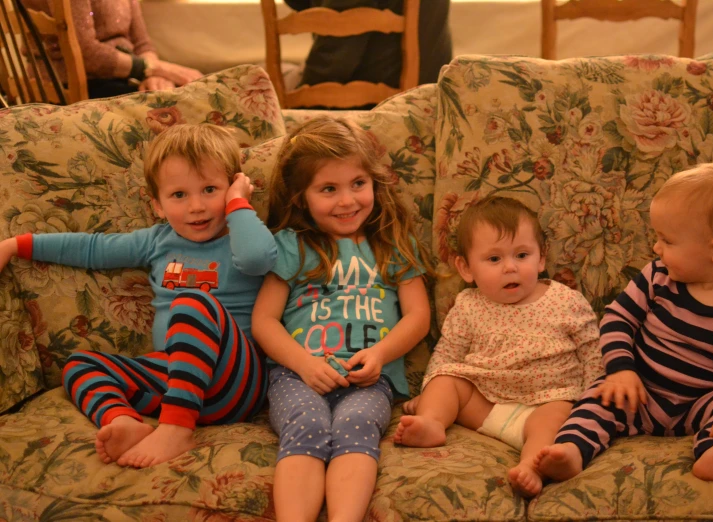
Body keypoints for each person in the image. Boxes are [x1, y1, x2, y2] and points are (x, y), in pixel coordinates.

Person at [0, 124, 276, 468]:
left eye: (210, 189)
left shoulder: (242, 235)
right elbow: (92, 248)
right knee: (80, 365)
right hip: (172, 380)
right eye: (179, 195)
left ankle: (177, 428)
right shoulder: (157, 241)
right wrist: (16, 245)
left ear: (234, 187)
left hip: (235, 383)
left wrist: (238, 203)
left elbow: (258, 258)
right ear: (157, 205)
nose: (196, 206)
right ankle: (123, 421)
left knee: (193, 302)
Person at [537, 162, 713, 484]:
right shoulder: (657, 276)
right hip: (642, 391)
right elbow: (617, 318)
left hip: (706, 400)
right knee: (599, 399)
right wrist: (621, 369)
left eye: (667, 240)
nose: (656, 248)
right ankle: (571, 450)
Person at [252, 116, 432, 521]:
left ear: (373, 182)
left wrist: (381, 355)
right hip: (297, 374)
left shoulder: (391, 243)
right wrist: (305, 364)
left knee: (357, 423)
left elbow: (418, 316)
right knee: (308, 423)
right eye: (328, 189)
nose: (347, 200)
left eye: (358, 184)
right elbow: (264, 320)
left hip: (368, 377)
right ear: (302, 198)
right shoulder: (292, 246)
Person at [393, 195, 602, 496]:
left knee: (556, 416)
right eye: (494, 259)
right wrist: (429, 395)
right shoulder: (468, 306)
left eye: (521, 255)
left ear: (541, 258)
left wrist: (592, 403)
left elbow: (592, 353)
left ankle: (532, 465)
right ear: (466, 268)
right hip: (484, 404)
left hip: (545, 401)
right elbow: (447, 354)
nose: (510, 268)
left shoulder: (565, 301)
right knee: (448, 380)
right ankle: (432, 423)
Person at [23, 0, 203, 98]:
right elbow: (86, 53)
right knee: (180, 101)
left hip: (120, 74)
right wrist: (157, 69)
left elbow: (142, 43)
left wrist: (153, 74)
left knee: (192, 93)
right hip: (73, 81)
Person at [284, 0, 452, 101]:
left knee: (263, 88)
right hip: (432, 83)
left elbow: (337, 50)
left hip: (382, 91)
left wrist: (300, 89)